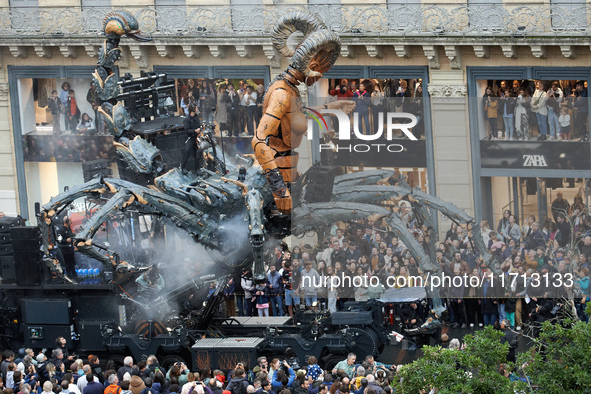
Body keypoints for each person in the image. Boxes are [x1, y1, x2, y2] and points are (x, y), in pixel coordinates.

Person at [251, 12, 354, 214]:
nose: (320, 78)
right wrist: (279, 189)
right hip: (276, 184)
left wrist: (332, 108)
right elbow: (258, 140)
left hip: (290, 172)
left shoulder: (291, 88)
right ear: (313, 67)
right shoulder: (282, 93)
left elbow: (294, 119)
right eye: (322, 73)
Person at [180, 105, 202, 175]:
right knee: (187, 150)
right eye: (196, 108)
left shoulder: (196, 117)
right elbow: (187, 130)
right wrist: (194, 131)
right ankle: (183, 167)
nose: (197, 109)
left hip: (197, 137)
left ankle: (197, 169)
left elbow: (199, 125)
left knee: (198, 153)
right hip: (191, 137)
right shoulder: (187, 119)